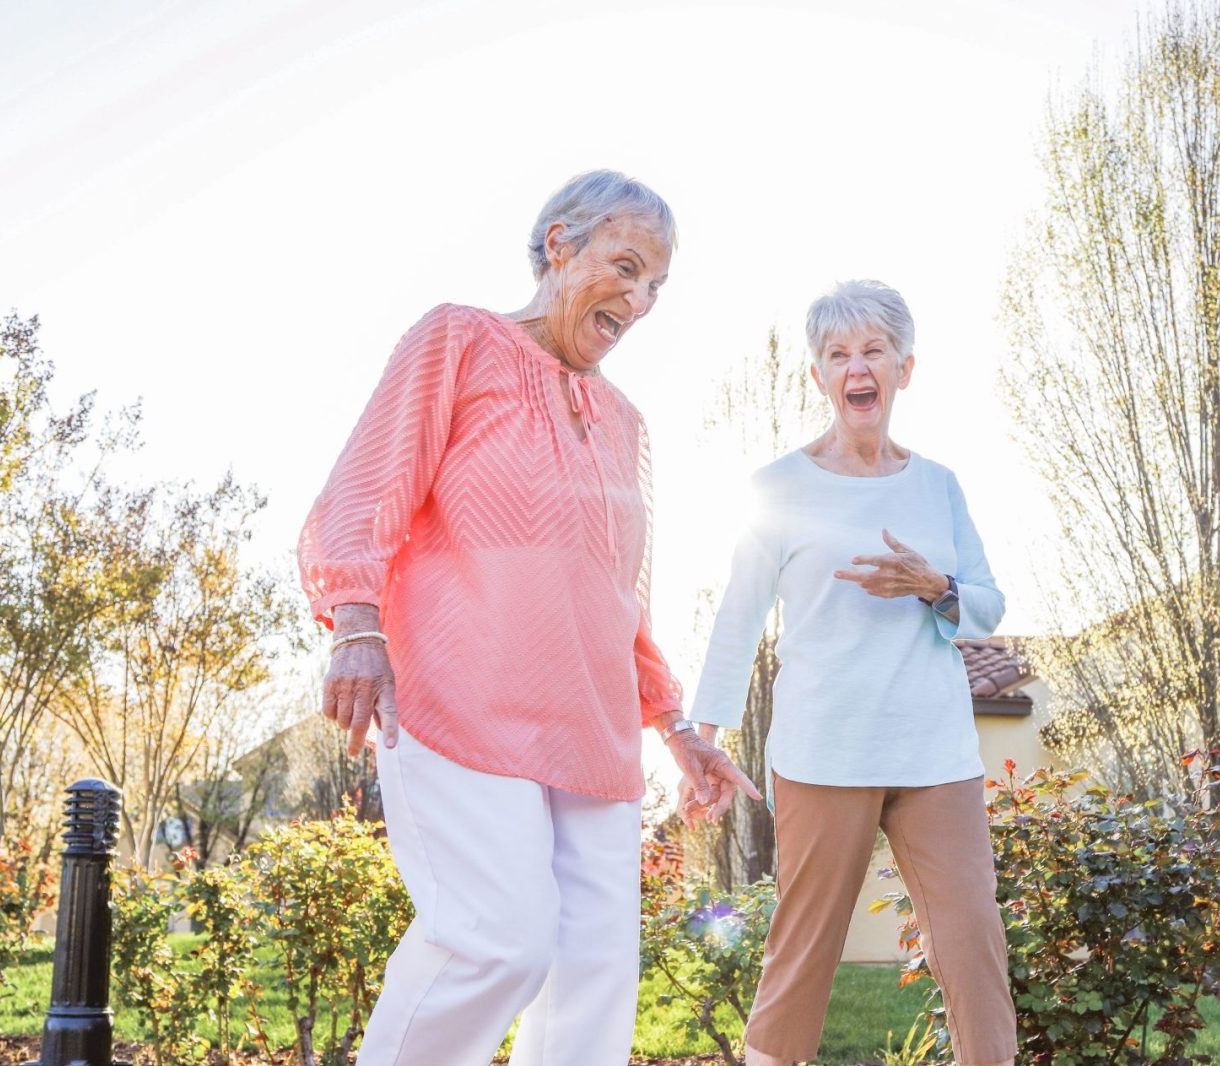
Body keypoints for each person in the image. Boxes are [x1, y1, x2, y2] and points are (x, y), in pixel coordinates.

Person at [297, 170, 757, 1066]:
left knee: (593, 979)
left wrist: (674, 727)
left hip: (591, 731)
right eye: (626, 267)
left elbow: (620, 597)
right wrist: (357, 625)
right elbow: (360, 494)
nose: (642, 299)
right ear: (559, 246)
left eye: (657, 284)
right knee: (494, 941)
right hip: (458, 702)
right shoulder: (458, 340)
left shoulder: (625, 421)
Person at [686, 280, 1017, 1066]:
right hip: (825, 750)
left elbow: (988, 604)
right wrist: (703, 739)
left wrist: (933, 586)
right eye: (837, 354)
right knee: (802, 956)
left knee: (973, 943)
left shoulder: (938, 485)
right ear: (819, 378)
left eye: (872, 350)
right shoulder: (780, 488)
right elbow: (738, 619)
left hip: (934, 752)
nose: (855, 367)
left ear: (904, 369)